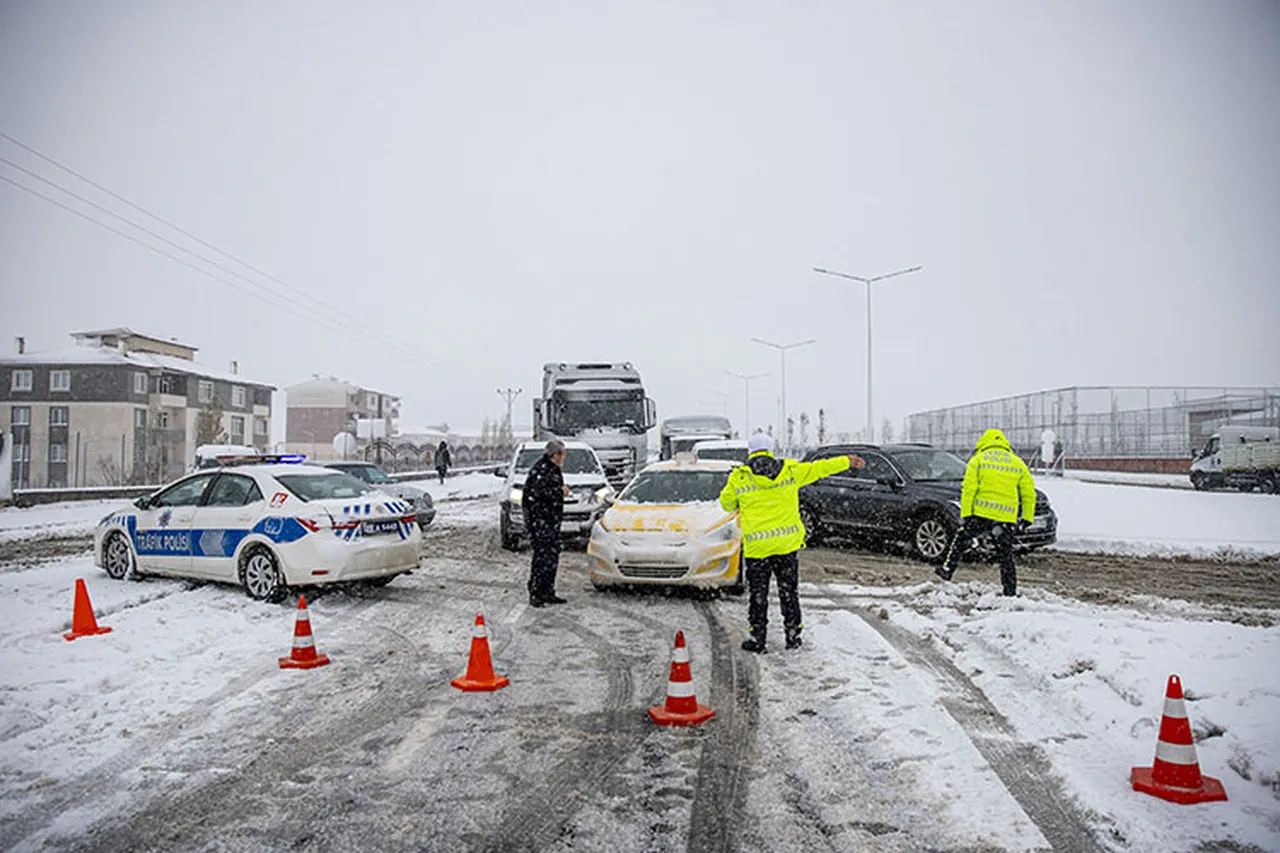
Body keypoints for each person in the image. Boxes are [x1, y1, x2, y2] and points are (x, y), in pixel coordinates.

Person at [719, 432, 864, 653]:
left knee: (759, 596)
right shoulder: (790, 471)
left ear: (750, 451)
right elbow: (819, 468)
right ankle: (793, 636)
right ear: (770, 449)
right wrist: (847, 461)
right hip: (786, 546)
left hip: (758, 549)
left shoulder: (740, 478)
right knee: (789, 593)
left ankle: (758, 640)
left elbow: (727, 504)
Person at [934, 428, 1036, 596]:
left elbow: (968, 490)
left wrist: (966, 515)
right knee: (1006, 555)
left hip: (981, 514)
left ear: (984, 442)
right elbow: (1028, 492)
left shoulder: (978, 460)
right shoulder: (1017, 462)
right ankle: (1010, 590)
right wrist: (1026, 517)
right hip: (1005, 518)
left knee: (960, 540)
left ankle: (948, 568)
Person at [522, 439, 571, 607]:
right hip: (541, 522)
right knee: (541, 557)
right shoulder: (540, 470)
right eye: (563, 454)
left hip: (551, 521)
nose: (564, 457)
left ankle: (548, 591)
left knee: (552, 556)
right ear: (555, 455)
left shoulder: (553, 469)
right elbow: (538, 494)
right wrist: (559, 491)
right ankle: (536, 592)